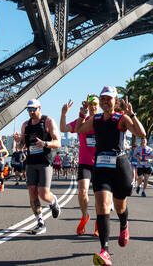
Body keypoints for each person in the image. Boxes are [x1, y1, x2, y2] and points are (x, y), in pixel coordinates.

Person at [73, 86, 146, 266]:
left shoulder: (121, 118)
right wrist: (82, 113)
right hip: (101, 166)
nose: (105, 101)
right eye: (102, 98)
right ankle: (105, 250)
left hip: (120, 166)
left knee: (120, 207)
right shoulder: (96, 119)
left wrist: (132, 114)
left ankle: (123, 225)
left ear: (116, 101)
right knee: (102, 205)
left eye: (109, 98)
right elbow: (80, 129)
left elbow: (141, 133)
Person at [19, 98, 61, 235]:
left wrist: (45, 144)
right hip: (31, 162)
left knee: (43, 194)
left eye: (33, 109)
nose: (31, 112)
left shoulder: (48, 121)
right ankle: (40, 222)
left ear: (39, 108)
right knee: (32, 192)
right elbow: (22, 145)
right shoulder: (25, 125)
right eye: (28, 110)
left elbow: (58, 142)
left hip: (44, 161)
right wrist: (18, 142)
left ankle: (53, 201)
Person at [60, 95, 99, 235]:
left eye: (95, 104)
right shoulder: (81, 122)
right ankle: (84, 216)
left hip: (101, 163)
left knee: (99, 196)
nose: (93, 106)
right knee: (82, 192)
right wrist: (64, 113)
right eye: (91, 104)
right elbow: (63, 128)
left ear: (99, 106)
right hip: (85, 162)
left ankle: (99, 223)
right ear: (87, 107)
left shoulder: (103, 122)